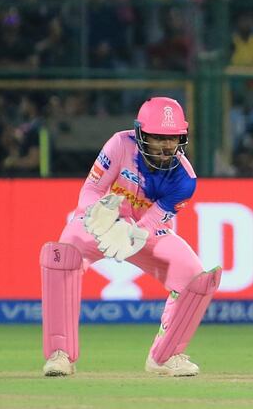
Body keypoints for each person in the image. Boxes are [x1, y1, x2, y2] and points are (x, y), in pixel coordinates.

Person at [40, 97, 222, 377]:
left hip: (142, 232)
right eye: (158, 137)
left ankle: (165, 356)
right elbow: (92, 189)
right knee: (63, 255)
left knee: (193, 276)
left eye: (172, 139)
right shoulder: (120, 144)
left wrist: (130, 233)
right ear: (140, 134)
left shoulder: (184, 180)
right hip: (100, 221)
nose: (166, 146)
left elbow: (150, 222)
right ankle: (60, 354)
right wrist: (93, 214)